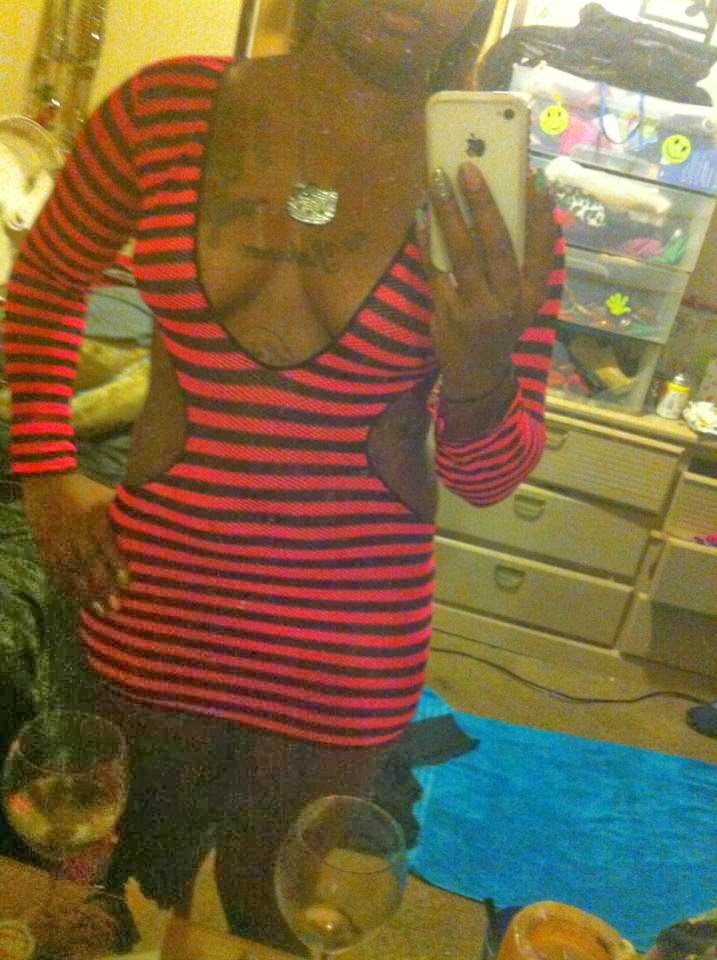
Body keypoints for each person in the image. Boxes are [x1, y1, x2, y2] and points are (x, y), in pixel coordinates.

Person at [3, 0, 563, 949]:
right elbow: (50, 280)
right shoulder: (163, 112)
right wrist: (49, 473)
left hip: (343, 646)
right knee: (108, 893)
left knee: (270, 911)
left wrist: (479, 365)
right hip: (153, 601)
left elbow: (487, 475)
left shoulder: (492, 200)